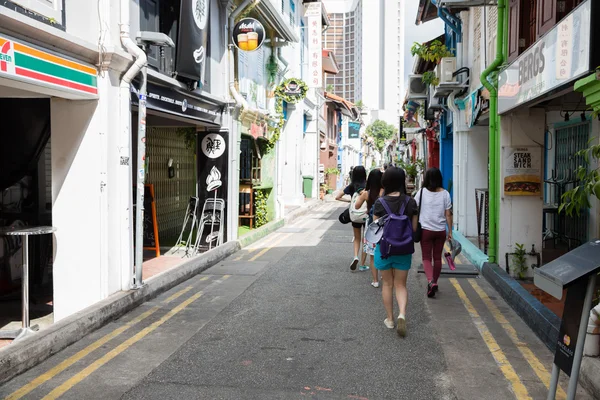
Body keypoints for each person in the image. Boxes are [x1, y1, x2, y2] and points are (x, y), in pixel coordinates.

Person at [372, 167, 418, 336]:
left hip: (384, 249)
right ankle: (402, 314)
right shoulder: (411, 202)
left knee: (387, 284)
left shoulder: (380, 203)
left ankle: (390, 319)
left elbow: (375, 230)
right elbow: (413, 229)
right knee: (401, 285)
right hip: (404, 249)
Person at [415, 167, 453, 298]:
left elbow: (414, 208)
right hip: (440, 231)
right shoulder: (445, 194)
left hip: (425, 230)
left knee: (426, 258)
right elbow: (448, 214)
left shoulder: (421, 192)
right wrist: (450, 231)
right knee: (437, 258)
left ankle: (430, 281)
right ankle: (434, 282)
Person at [354, 168, 384, 287]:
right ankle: (383, 275)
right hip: (385, 225)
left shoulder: (367, 193)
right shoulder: (385, 192)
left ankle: (375, 280)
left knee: (372, 255)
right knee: (383, 252)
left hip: (372, 226)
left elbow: (356, 206)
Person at [336, 165, 368, 271]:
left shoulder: (351, 186)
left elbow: (337, 197)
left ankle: (355, 256)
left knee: (357, 238)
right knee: (365, 239)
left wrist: (350, 202)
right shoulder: (368, 186)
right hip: (366, 215)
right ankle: (363, 264)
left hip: (355, 215)